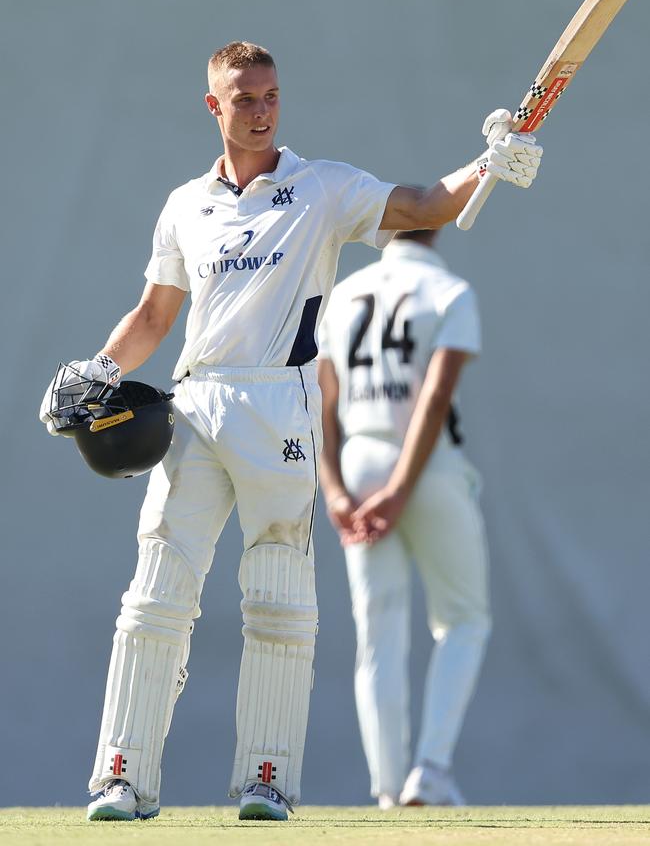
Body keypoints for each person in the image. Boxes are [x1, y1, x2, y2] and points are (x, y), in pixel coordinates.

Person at [39, 42, 541, 822]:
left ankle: (265, 779)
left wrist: (490, 164)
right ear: (215, 106)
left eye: (271, 95)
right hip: (196, 403)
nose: (263, 109)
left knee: (277, 596)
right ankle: (121, 779)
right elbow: (154, 316)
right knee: (155, 594)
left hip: (282, 410)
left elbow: (421, 204)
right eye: (245, 99)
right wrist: (96, 369)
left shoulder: (323, 188)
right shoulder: (184, 205)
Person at [318, 225, 490, 809]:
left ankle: (389, 789)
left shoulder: (344, 293)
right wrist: (401, 487)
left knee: (378, 636)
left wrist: (335, 489)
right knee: (465, 620)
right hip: (428, 465)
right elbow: (435, 398)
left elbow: (324, 399)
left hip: (358, 457)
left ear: (382, 235)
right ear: (436, 230)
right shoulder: (449, 290)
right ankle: (431, 771)